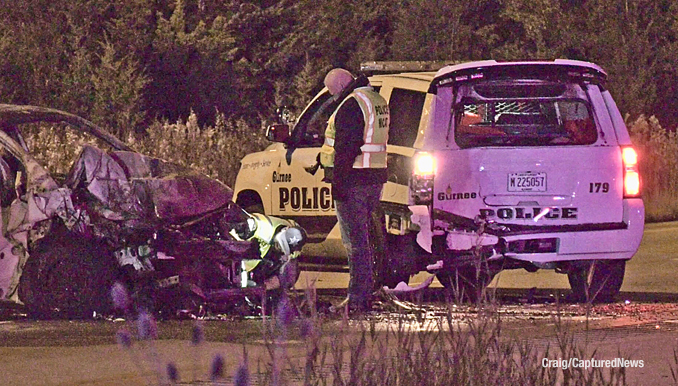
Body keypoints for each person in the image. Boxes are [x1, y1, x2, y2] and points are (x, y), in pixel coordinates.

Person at [318, 68, 390, 312]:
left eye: (331, 92)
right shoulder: (376, 99)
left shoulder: (351, 104)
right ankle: (369, 292)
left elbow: (346, 148)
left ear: (339, 87)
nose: (333, 96)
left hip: (354, 181)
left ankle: (357, 299)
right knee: (368, 240)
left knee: (355, 244)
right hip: (374, 178)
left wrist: (338, 184)